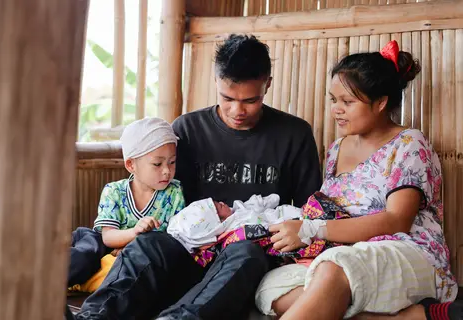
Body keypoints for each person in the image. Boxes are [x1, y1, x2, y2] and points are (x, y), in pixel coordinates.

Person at [74, 34, 322, 320]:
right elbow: (166, 198)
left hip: (245, 257)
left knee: (246, 253)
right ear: (216, 82)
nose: (237, 111)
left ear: (267, 83)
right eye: (227, 98)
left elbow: (308, 211)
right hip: (189, 251)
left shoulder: (294, 134)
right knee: (149, 245)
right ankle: (92, 317)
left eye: (251, 100)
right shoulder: (189, 129)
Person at [254, 40, 461, 320]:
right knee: (270, 287)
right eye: (334, 100)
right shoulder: (337, 148)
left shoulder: (409, 144)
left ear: (380, 103)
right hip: (346, 252)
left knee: (335, 269)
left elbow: (397, 220)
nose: (337, 109)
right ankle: (408, 317)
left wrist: (313, 230)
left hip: (407, 251)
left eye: (348, 102)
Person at [68, 117, 185, 289]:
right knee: (87, 251)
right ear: (131, 165)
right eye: (157, 164)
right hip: (103, 246)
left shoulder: (174, 193)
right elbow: (107, 237)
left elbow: (174, 240)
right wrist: (135, 232)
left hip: (134, 257)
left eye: (172, 162)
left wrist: (133, 247)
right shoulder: (114, 191)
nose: (167, 171)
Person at [167, 194, 302, 252]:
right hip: (276, 222)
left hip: (271, 213)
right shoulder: (236, 229)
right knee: (292, 216)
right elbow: (263, 229)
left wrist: (263, 201)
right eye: (219, 207)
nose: (222, 203)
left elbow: (251, 204)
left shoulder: (235, 209)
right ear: (219, 222)